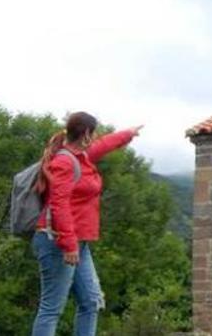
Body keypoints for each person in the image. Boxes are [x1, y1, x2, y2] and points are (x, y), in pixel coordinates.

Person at [32, 112, 142, 336]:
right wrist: (69, 245)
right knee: (51, 308)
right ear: (85, 135)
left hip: (77, 242)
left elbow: (103, 145)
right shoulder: (64, 162)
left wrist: (128, 134)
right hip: (57, 241)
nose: (96, 137)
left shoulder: (81, 156)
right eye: (94, 132)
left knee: (91, 302)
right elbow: (58, 204)